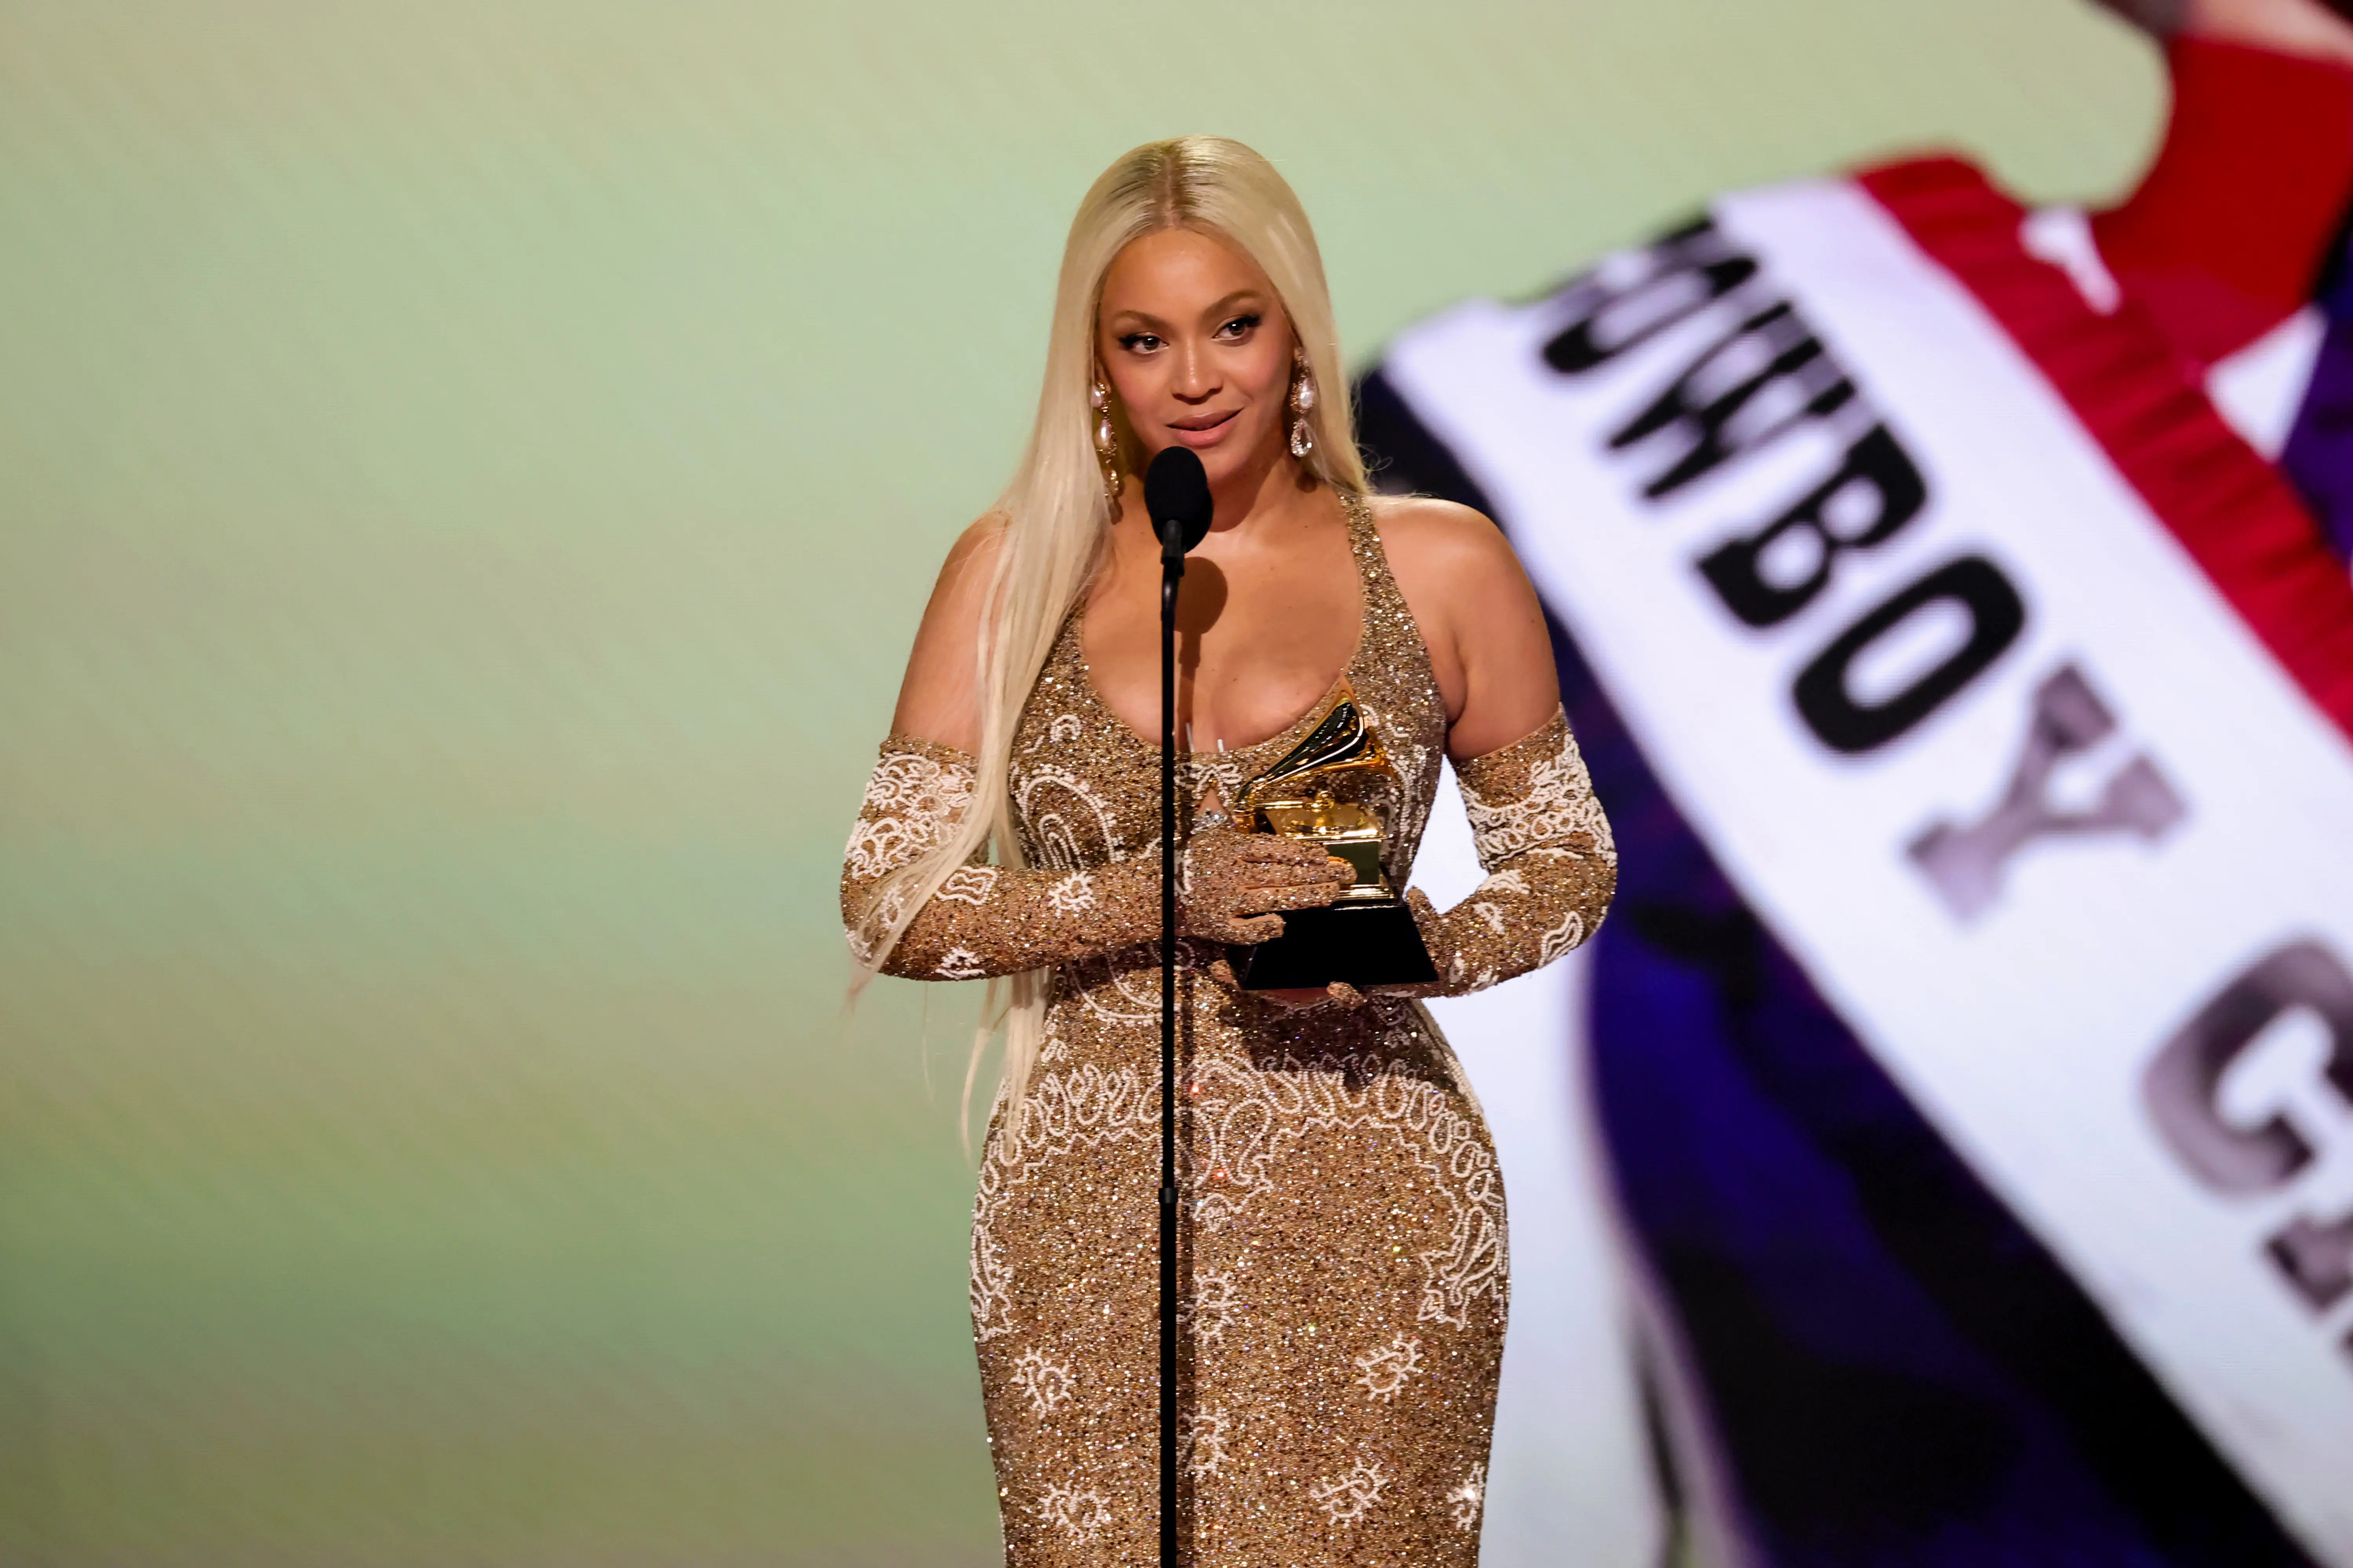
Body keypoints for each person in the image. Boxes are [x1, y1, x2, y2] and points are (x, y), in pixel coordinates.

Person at [838, 136, 1615, 1563]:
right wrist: (1153, 895)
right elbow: (890, 900)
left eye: (1235, 327)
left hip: (1371, 1198)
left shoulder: (1442, 565)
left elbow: (1567, 860)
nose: (1196, 377)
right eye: (1147, 340)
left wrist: (1424, 947)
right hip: (1087, 1212)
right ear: (1098, 368)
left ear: (1297, 336)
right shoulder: (1010, 574)